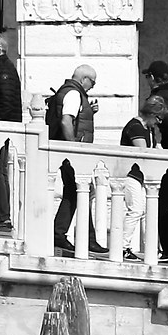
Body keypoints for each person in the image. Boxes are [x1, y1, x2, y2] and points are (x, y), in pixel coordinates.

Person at [48, 63, 98, 255]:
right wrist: (73, 148)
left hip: (67, 150)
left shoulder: (68, 91)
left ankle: (75, 235)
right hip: (71, 151)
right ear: (84, 79)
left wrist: (89, 111)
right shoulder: (74, 94)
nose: (92, 87)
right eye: (92, 82)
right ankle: (63, 234)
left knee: (76, 190)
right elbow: (66, 120)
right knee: (80, 190)